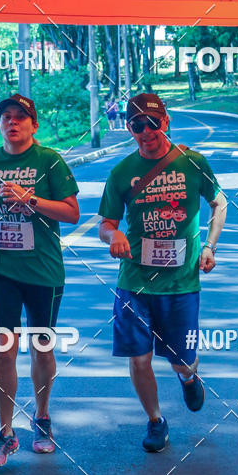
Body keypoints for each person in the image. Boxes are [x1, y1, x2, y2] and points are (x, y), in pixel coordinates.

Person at [98, 92, 227, 452]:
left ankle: (188, 377)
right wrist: (115, 233)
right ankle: (155, 421)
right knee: (139, 358)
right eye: (138, 125)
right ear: (129, 128)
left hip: (181, 283)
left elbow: (219, 202)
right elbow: (105, 223)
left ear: (166, 122)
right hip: (134, 282)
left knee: (181, 360)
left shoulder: (192, 163)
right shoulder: (122, 172)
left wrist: (210, 246)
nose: (147, 131)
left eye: (153, 123)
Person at [0, 93, 80, 467]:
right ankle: (5, 432)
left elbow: (72, 213)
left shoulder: (49, 161)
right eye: (5, 117)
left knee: (42, 347)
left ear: (34, 125)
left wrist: (31, 201)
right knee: (3, 348)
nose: (11, 122)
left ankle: (42, 417)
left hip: (43, 269)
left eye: (20, 117)